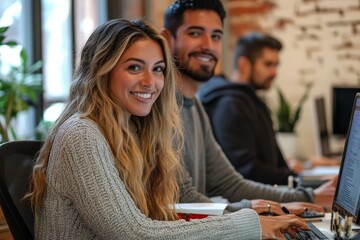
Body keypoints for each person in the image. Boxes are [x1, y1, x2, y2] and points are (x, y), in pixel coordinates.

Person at [26, 18, 309, 239]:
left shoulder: (135, 131)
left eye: (158, 69)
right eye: (135, 68)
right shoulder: (82, 135)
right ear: (102, 70)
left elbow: (171, 206)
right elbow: (133, 233)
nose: (151, 82)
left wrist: (247, 213)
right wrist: (249, 225)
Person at [162, 0, 336, 214]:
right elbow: (183, 197)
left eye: (216, 36)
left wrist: (307, 197)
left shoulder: (195, 106)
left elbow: (229, 183)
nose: (208, 45)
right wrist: (252, 214)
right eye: (195, 33)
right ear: (168, 39)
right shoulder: (161, 107)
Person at [198, 32, 338, 186]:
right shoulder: (230, 105)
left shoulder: (251, 101)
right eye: (268, 64)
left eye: (276, 65)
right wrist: (300, 180)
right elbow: (245, 170)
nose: (274, 72)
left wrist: (301, 171)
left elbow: (269, 161)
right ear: (244, 64)